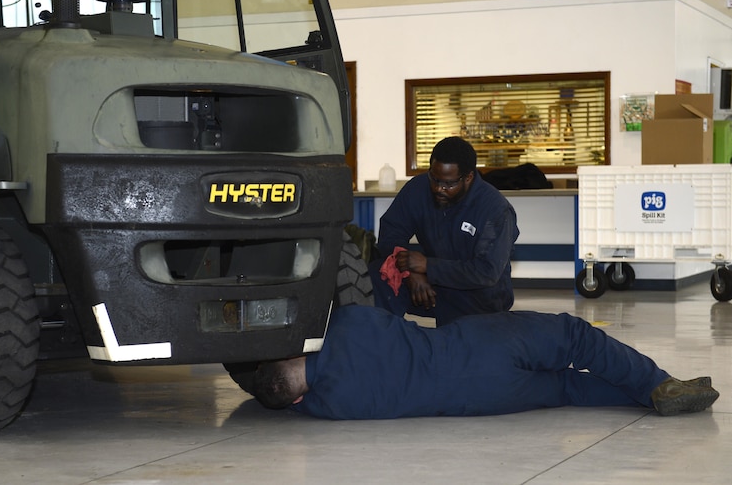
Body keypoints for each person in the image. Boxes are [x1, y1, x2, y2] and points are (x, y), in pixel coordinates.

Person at [252, 305, 719, 419]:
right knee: (574, 337)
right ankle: (658, 384)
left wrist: (278, 398)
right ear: (295, 353)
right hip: (479, 346)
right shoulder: (348, 326)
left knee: (567, 388)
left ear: (295, 395)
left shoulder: (331, 408)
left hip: (488, 397)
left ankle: (648, 402)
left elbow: (288, 401)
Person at [370, 136, 519, 326]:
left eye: (449, 184)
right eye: (434, 178)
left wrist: (428, 267)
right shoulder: (418, 189)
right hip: (429, 285)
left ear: (468, 178)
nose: (439, 188)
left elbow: (486, 272)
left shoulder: (495, 209)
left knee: (455, 345)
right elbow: (391, 232)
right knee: (379, 274)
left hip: (477, 295)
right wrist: (411, 272)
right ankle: (385, 342)